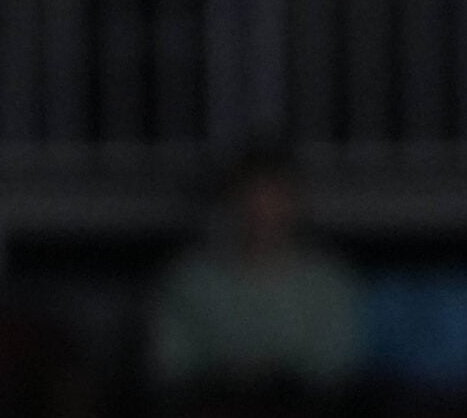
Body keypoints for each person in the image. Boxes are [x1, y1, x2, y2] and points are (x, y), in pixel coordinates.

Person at [152, 147, 365, 392]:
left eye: (275, 201)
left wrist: (275, 378)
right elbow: (171, 365)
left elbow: (337, 365)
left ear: (294, 204)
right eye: (252, 200)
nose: (262, 215)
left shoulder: (327, 282)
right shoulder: (190, 281)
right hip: (211, 416)